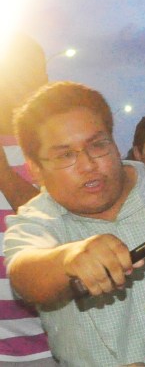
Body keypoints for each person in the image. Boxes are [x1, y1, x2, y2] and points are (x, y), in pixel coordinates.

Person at [3, 82, 145, 366]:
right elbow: (25, 273)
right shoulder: (38, 219)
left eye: (98, 145)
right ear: (35, 167)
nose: (88, 165)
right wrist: (68, 259)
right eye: (65, 155)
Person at [0, 32, 56, 366]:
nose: (23, 84)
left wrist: (6, 177)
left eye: (33, 73)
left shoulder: (58, 151)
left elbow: (65, 225)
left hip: (51, 344)